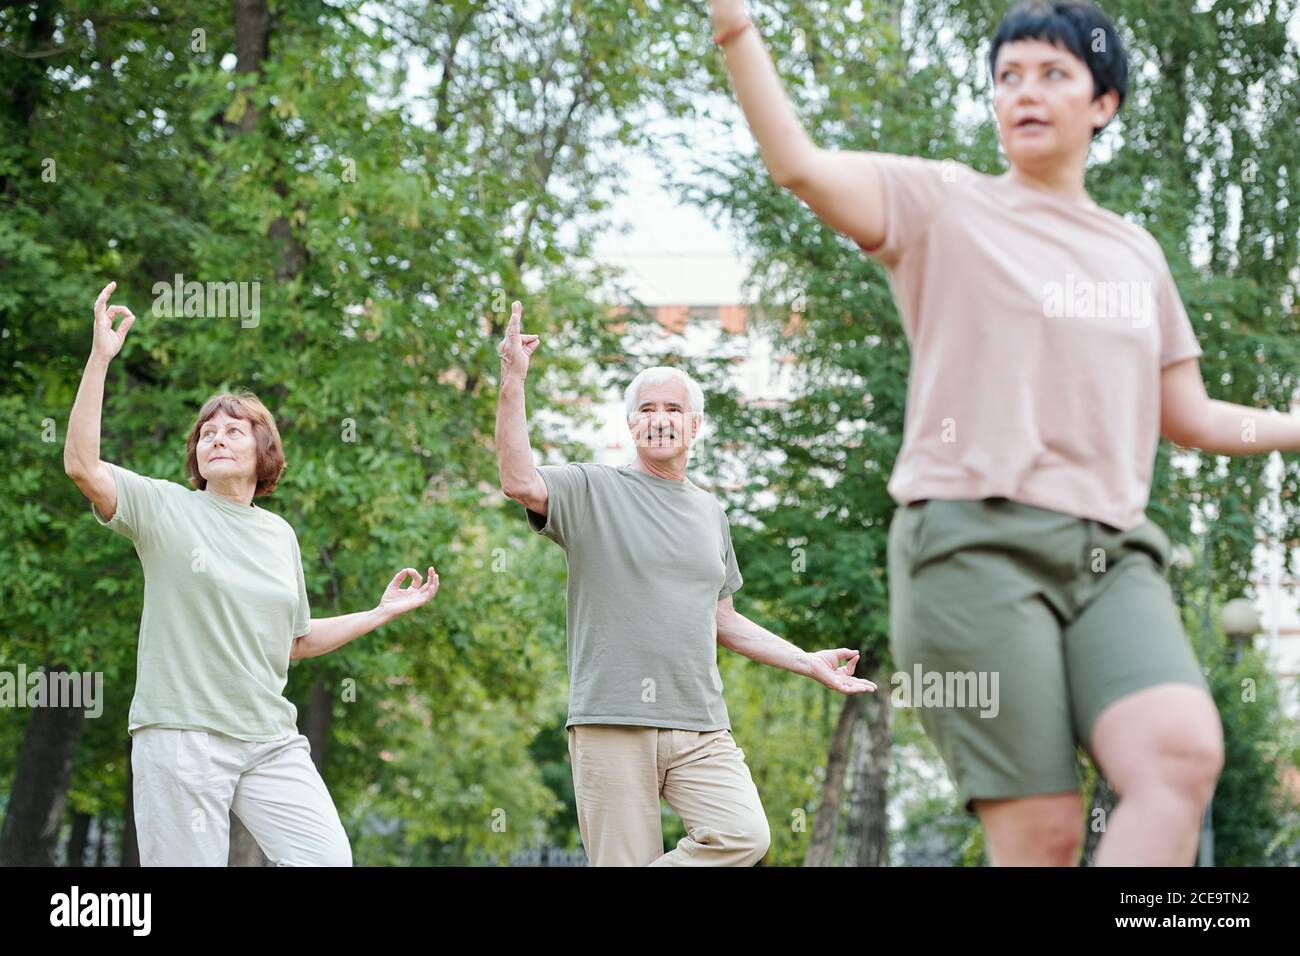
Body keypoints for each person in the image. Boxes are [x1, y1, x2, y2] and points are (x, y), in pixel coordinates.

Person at [707, 0, 1300, 865]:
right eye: (1008, 76)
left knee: (1180, 754)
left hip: (1111, 556)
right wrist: (734, 24)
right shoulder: (943, 205)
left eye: (1054, 74)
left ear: (1104, 104)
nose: (1026, 91)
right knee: (1046, 837)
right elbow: (795, 163)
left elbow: (1192, 417)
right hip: (971, 546)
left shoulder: (1136, 254)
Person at [64, 281, 440, 866]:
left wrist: (379, 612)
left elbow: (291, 643)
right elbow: (82, 464)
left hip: (268, 739)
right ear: (196, 456)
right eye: (207, 434)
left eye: (233, 430)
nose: (216, 438)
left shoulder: (278, 534)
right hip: (183, 735)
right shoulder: (165, 508)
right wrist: (100, 358)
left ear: (263, 452)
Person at [495, 300, 875, 865]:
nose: (660, 417)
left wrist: (806, 660)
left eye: (674, 408)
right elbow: (518, 478)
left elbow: (721, 619)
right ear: (631, 424)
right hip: (613, 719)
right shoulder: (590, 490)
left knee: (745, 835)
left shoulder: (710, 512)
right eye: (646, 408)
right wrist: (513, 380)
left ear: (694, 425)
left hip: (700, 724)